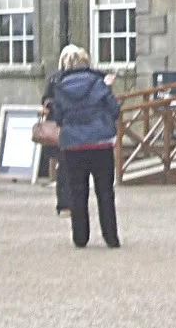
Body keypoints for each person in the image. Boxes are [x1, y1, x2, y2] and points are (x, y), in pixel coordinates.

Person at [47, 45, 121, 249]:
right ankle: (111, 237)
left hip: (74, 145)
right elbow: (115, 111)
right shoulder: (99, 83)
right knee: (105, 191)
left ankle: (80, 237)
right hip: (100, 143)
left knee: (77, 191)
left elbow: (59, 118)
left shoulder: (60, 87)